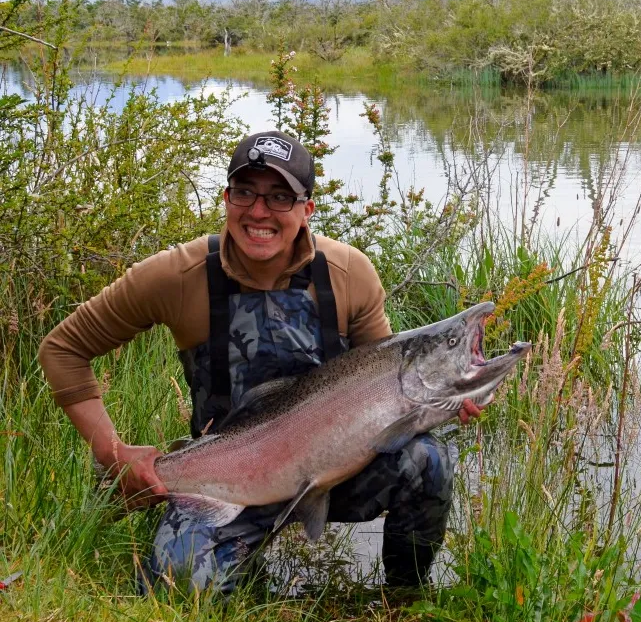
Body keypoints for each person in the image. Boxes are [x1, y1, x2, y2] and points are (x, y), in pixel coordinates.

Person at [38, 130, 481, 594]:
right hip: (228, 479)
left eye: (279, 197)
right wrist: (114, 455)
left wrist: (444, 405)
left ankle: (403, 595)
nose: (258, 212)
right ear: (227, 197)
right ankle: (237, 561)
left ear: (307, 209)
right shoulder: (177, 275)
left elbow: (387, 389)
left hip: (334, 473)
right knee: (180, 586)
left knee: (428, 459)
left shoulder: (350, 273)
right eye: (245, 191)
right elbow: (62, 350)